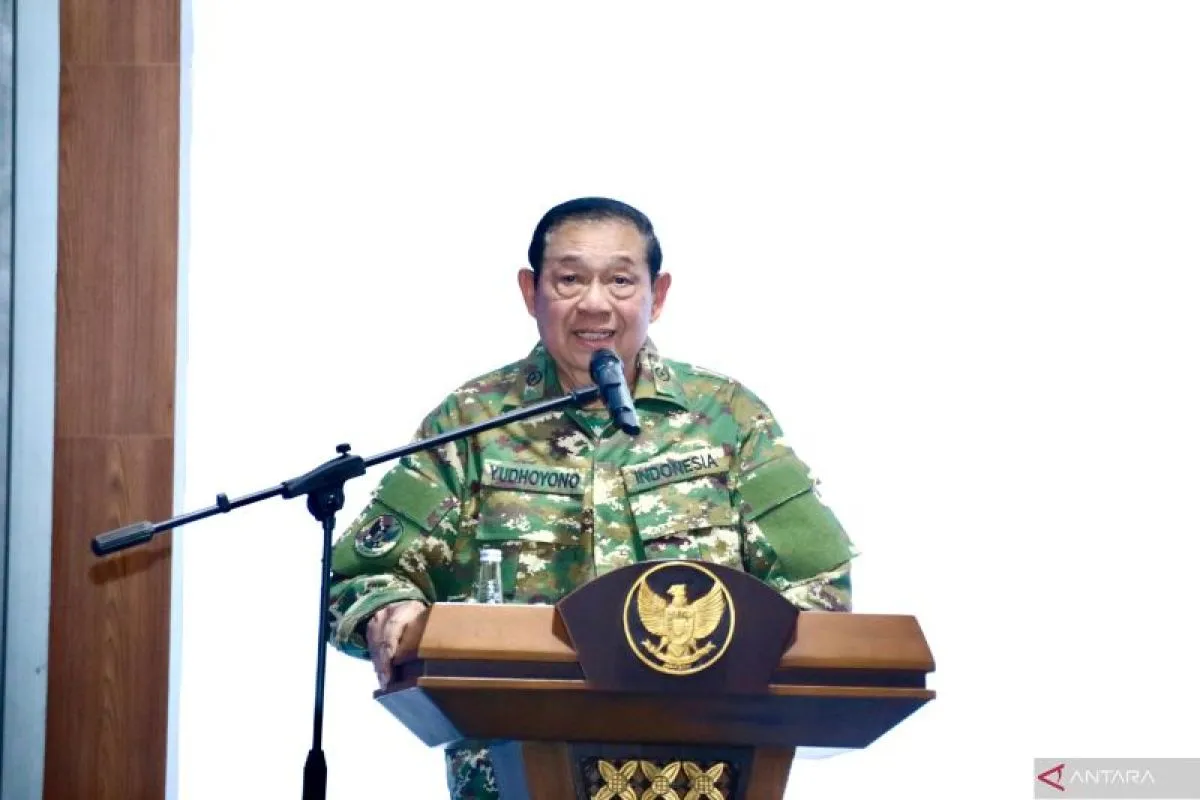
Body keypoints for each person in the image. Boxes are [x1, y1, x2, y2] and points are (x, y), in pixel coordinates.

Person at [325, 197, 857, 799]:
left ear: (657, 294)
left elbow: (819, 585)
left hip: (704, 775)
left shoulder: (727, 417)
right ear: (531, 292)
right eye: (570, 279)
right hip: (516, 775)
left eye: (621, 281)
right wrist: (388, 609)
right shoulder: (472, 423)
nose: (596, 304)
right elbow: (358, 579)